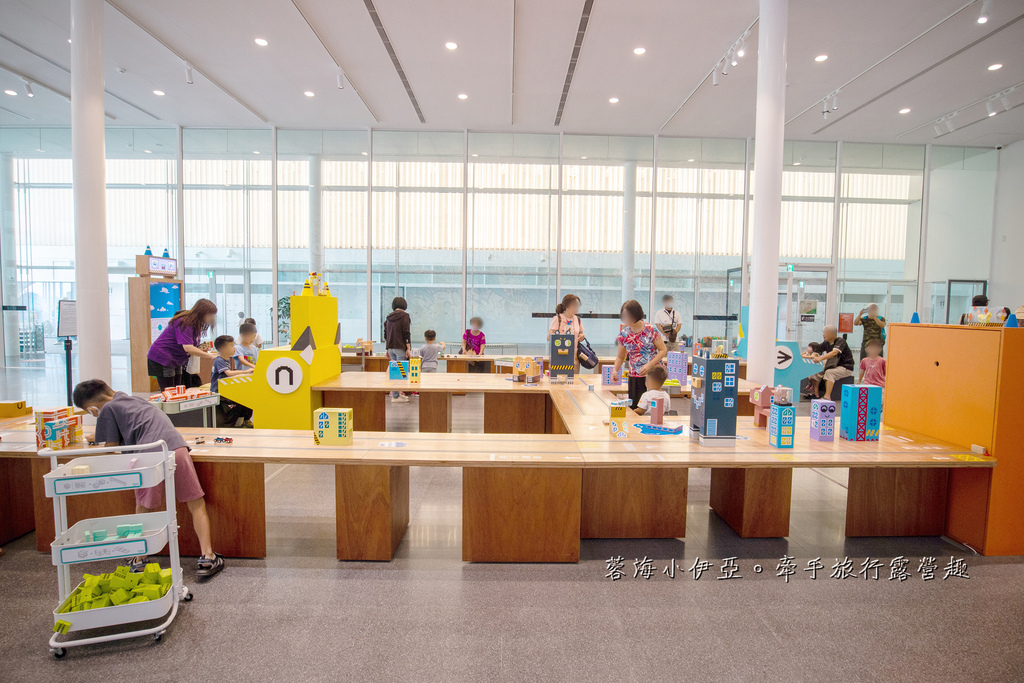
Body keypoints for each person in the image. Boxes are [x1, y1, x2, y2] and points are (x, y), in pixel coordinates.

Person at [73, 379, 224, 579]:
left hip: (149, 455)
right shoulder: (135, 400)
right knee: (195, 502)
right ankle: (208, 556)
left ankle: (139, 559)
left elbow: (110, 448)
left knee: (144, 508)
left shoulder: (107, 409)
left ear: (92, 408)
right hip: (176, 448)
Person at [147, 299, 219, 390]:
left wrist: (199, 350)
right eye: (210, 315)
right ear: (202, 313)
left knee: (178, 389)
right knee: (169, 390)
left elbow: (190, 344)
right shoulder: (185, 322)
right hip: (163, 357)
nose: (212, 318)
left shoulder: (195, 324)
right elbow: (188, 347)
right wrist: (210, 356)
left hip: (176, 358)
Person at [612, 299, 667, 410]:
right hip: (634, 375)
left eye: (629, 316)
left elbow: (663, 350)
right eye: (624, 316)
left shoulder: (651, 330)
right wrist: (615, 370)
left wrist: (649, 365)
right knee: (636, 407)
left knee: (652, 408)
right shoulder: (624, 334)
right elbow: (620, 356)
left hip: (652, 374)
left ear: (636, 315)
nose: (626, 319)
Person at [211, 335, 254, 427]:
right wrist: (245, 371)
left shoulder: (226, 360)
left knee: (247, 397)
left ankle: (243, 420)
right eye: (231, 346)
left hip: (226, 389)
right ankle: (240, 422)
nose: (234, 348)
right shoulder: (219, 360)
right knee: (241, 400)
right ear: (222, 349)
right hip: (219, 391)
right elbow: (229, 373)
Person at [813, 325, 855, 400]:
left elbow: (834, 352)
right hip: (833, 365)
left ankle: (827, 396)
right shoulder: (826, 342)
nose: (823, 334)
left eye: (825, 332)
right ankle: (815, 392)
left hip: (845, 367)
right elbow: (817, 350)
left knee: (829, 372)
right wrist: (814, 355)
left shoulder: (840, 341)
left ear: (832, 333)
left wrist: (820, 358)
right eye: (823, 332)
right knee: (817, 369)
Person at [548, 294, 586, 373]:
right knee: (560, 378)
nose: (577, 308)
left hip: (574, 355)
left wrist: (581, 336)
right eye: (575, 305)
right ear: (567, 306)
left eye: (577, 305)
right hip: (560, 354)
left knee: (574, 378)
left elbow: (581, 333)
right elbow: (549, 337)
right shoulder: (558, 319)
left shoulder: (577, 319)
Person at [384, 297, 412, 403]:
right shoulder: (405, 316)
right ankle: (396, 396)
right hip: (400, 347)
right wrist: (408, 348)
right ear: (404, 305)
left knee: (394, 372)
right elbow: (406, 333)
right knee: (401, 372)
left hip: (391, 348)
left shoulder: (389, 317)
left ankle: (396, 395)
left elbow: (386, 334)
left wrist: (387, 348)